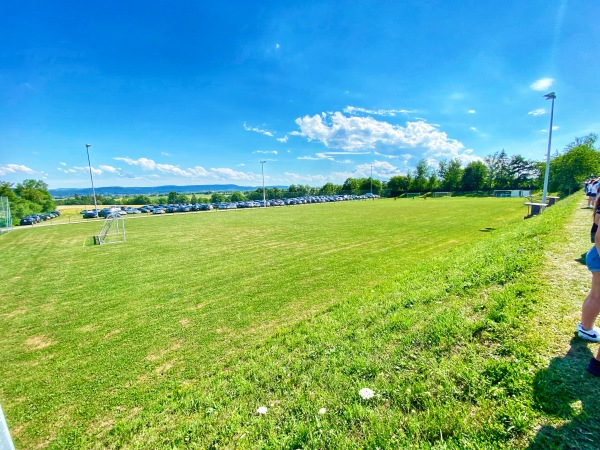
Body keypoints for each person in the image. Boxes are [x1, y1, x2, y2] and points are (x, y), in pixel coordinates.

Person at [578, 195, 600, 376]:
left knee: (596, 295)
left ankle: (586, 328)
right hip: (599, 256)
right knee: (596, 295)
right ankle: (586, 329)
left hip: (596, 255)